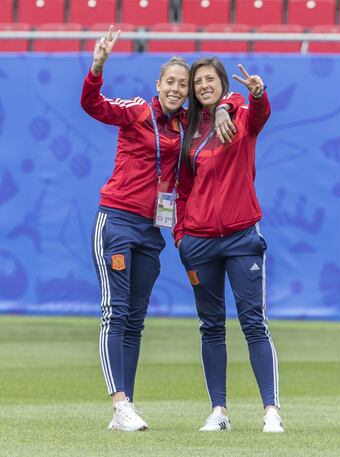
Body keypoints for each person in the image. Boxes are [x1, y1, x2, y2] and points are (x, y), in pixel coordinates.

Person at [81, 27, 236, 432]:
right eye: (171, 82)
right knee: (114, 313)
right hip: (117, 220)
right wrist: (98, 65)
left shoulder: (185, 125)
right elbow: (92, 104)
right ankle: (120, 403)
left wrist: (222, 108)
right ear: (158, 85)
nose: (177, 89)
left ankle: (125, 409)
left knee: (135, 319)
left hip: (152, 232)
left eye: (183, 85)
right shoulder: (136, 110)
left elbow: (226, 102)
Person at [174, 57, 284, 433]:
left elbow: (258, 111)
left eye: (210, 79)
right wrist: (181, 239)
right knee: (211, 327)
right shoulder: (189, 134)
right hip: (199, 243)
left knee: (254, 324)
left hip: (241, 237)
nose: (204, 85)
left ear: (222, 84)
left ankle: (271, 411)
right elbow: (183, 193)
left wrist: (255, 93)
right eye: (198, 81)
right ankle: (218, 411)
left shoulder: (239, 116)